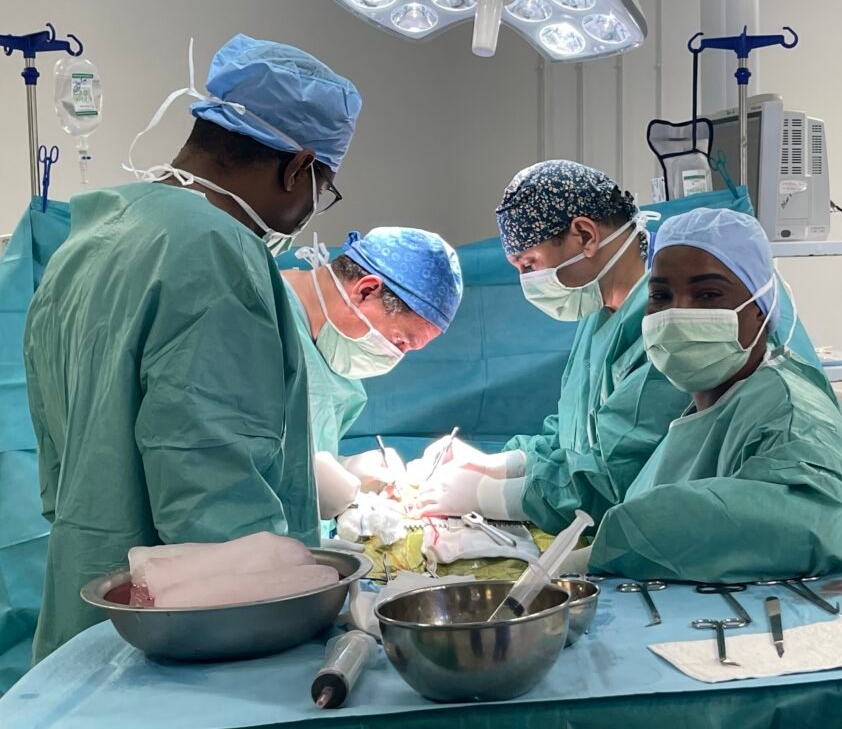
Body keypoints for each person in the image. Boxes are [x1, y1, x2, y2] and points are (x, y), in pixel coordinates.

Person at [23, 34, 361, 662]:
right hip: (187, 637)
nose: (309, 211)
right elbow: (215, 504)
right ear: (297, 168)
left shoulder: (91, 239)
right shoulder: (215, 251)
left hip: (89, 608)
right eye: (323, 190)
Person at [585, 208, 842, 583]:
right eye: (661, 295)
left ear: (761, 309)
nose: (678, 312)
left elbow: (811, 526)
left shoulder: (791, 421)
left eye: (708, 294)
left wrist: (621, 540)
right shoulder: (711, 411)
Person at [416, 160, 692, 531]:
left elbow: (618, 476)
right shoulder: (600, 314)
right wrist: (503, 464)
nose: (526, 281)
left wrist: (490, 495)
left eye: (529, 264)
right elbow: (574, 438)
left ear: (585, 236)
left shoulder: (669, 325)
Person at [282, 228, 462, 522]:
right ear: (365, 291)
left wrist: (350, 468)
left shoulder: (328, 356)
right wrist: (305, 479)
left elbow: (295, 450)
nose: (395, 356)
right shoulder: (257, 317)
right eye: (400, 341)